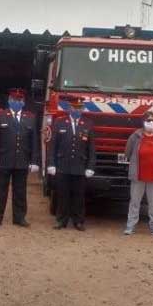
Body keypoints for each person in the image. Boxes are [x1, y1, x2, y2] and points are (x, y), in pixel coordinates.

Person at [0, 88, 40, 227]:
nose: (17, 102)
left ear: (23, 102)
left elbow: (34, 141)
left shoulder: (30, 118)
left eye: (20, 100)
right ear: (9, 100)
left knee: (20, 191)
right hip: (3, 160)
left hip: (22, 160)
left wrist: (34, 160)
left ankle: (19, 217)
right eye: (14, 100)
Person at [47, 95, 95, 231]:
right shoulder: (60, 122)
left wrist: (90, 166)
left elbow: (91, 148)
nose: (77, 110)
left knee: (79, 196)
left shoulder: (88, 124)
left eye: (80, 108)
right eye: (75, 107)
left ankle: (78, 221)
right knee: (62, 195)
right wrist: (51, 164)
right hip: (63, 165)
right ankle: (61, 220)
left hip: (80, 166)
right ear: (69, 108)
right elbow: (53, 146)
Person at [124, 111, 153, 237]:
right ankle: (130, 226)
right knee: (134, 202)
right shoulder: (135, 136)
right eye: (148, 120)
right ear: (143, 122)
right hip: (138, 175)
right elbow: (128, 152)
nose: (151, 122)